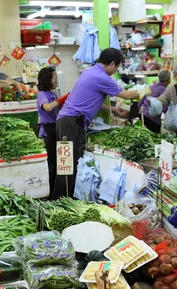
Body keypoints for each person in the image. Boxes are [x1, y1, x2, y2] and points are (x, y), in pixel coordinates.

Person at [53, 48, 141, 200]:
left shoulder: (89, 72)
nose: (115, 71)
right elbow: (126, 95)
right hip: (71, 123)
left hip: (66, 121)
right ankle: (61, 203)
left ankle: (60, 201)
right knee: (68, 166)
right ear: (112, 64)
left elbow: (89, 100)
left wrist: (112, 108)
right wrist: (146, 91)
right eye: (117, 67)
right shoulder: (102, 77)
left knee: (66, 165)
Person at [36, 67, 69, 197]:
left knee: (56, 163)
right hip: (47, 133)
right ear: (47, 80)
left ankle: (56, 192)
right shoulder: (42, 95)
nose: (56, 80)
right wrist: (62, 99)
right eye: (54, 77)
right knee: (50, 165)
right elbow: (48, 108)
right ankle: (48, 194)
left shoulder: (52, 94)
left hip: (55, 129)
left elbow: (60, 107)